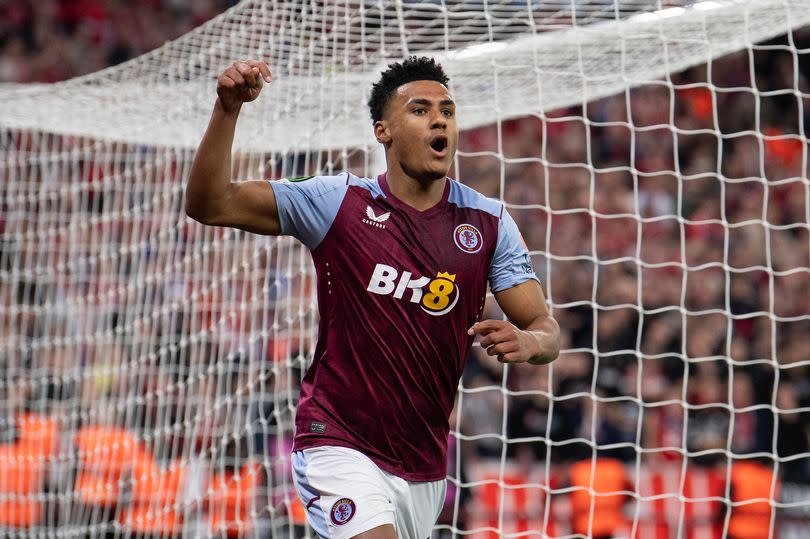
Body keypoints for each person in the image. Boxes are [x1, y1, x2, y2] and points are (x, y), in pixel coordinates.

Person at [185, 56, 560, 539]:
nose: (440, 119)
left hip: (423, 463)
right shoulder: (338, 201)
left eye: (447, 109)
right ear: (383, 131)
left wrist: (528, 343)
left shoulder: (488, 223)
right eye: (420, 110)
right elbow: (208, 203)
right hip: (336, 441)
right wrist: (228, 109)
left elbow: (546, 330)